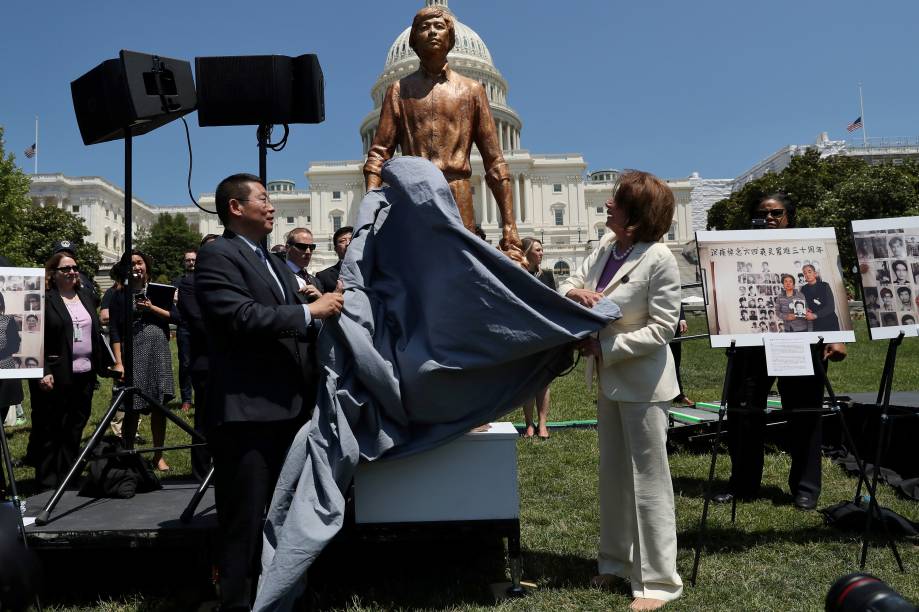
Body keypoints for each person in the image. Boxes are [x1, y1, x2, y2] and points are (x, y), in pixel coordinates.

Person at [195, 173, 344, 610]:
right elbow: (240, 316)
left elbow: (294, 306)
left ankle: (285, 590)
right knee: (245, 515)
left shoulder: (275, 262)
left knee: (289, 512)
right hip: (248, 412)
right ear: (235, 208)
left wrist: (323, 302)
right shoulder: (219, 256)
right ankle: (238, 599)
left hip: (290, 409)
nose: (272, 205)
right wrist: (308, 311)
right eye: (263, 198)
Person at [560, 170, 683, 609]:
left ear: (636, 214)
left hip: (644, 383)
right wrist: (578, 294)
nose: (608, 205)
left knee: (649, 482)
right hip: (609, 382)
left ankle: (658, 582)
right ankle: (615, 564)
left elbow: (663, 329)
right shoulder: (604, 248)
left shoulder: (660, 258)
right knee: (613, 477)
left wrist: (605, 346)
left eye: (617, 201)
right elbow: (568, 280)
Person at [716, 193, 847, 511]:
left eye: (777, 213)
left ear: (790, 216)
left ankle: (805, 488)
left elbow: (829, 296)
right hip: (750, 342)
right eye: (763, 213)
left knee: (804, 412)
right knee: (744, 413)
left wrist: (837, 337)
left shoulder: (808, 248)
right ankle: (743, 484)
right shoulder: (737, 250)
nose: (770, 218)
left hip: (799, 340)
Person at [363, 5, 521, 253]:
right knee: (416, 270)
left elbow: (495, 163)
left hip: (457, 192)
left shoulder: (472, 90)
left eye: (439, 27)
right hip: (414, 195)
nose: (432, 32)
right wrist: (369, 210)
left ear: (451, 37)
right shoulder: (398, 90)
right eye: (424, 28)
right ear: (413, 41)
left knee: (460, 271)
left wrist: (509, 225)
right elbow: (378, 155)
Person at [23, 253, 112, 489]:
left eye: (74, 267)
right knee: (51, 427)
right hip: (55, 374)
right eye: (66, 269)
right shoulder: (44, 299)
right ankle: (47, 480)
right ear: (53, 273)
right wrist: (43, 369)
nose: (72, 272)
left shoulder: (85, 296)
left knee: (75, 425)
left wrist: (108, 364)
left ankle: (68, 476)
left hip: (84, 373)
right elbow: (32, 336)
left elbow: (95, 333)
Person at [109, 250, 177, 472]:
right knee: (132, 405)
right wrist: (119, 361)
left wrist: (151, 308)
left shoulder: (159, 291)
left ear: (146, 266)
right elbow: (115, 331)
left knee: (159, 405)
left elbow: (176, 318)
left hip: (158, 350)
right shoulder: (120, 294)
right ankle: (129, 452)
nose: (136, 267)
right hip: (133, 352)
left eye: (139, 263)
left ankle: (158, 455)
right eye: (131, 264)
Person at [177, 234, 219, 482]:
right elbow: (199, 321)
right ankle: (202, 471)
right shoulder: (190, 283)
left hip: (229, 360)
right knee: (204, 418)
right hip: (206, 359)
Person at [520, 237, 555, 439]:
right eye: (538, 250)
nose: (541, 253)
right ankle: (529, 424)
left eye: (542, 249)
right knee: (528, 381)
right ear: (527, 253)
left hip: (545, 334)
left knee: (544, 381)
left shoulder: (548, 276)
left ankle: (542, 424)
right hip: (525, 334)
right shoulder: (518, 275)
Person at [173, 250, 197, 413]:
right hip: (185, 327)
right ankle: (187, 399)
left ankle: (204, 395)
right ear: (184, 263)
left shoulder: (204, 280)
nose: (191, 262)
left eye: (193, 260)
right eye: (187, 260)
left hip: (202, 327)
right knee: (186, 364)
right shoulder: (177, 282)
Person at [284, 227, 323, 302]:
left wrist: (321, 298)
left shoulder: (315, 281)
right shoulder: (278, 275)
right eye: (302, 247)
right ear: (287, 248)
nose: (308, 252)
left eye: (311, 247)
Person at [801, 264, 840, 332]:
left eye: (809, 271)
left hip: (830, 321)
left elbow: (831, 307)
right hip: (815, 324)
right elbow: (803, 305)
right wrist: (806, 309)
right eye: (805, 273)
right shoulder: (803, 289)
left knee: (835, 342)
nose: (807, 274)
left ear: (815, 273)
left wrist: (815, 315)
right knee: (820, 342)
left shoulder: (825, 285)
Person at [316, 226, 353, 293]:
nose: (348, 243)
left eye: (351, 239)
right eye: (342, 241)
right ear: (335, 249)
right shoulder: (323, 277)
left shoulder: (374, 270)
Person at [670, 304, 692, 406]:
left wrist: (682, 318)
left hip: (673, 325)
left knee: (675, 362)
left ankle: (679, 395)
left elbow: (677, 299)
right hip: (653, 323)